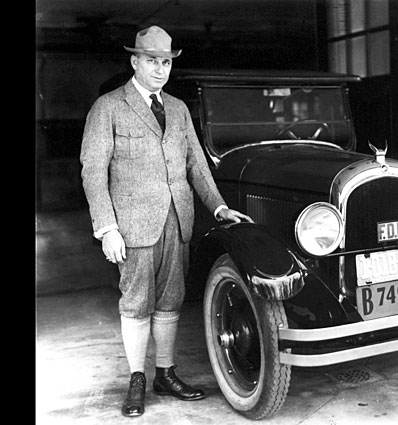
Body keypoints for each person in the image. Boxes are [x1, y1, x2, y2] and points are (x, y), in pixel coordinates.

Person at [79, 25, 253, 418]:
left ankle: (166, 374)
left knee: (171, 300)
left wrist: (220, 207)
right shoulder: (108, 107)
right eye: (152, 61)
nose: (160, 69)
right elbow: (93, 172)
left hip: (177, 221)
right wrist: (107, 229)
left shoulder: (177, 109)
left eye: (166, 62)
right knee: (136, 303)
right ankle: (137, 379)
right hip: (132, 227)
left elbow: (197, 166)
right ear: (134, 62)